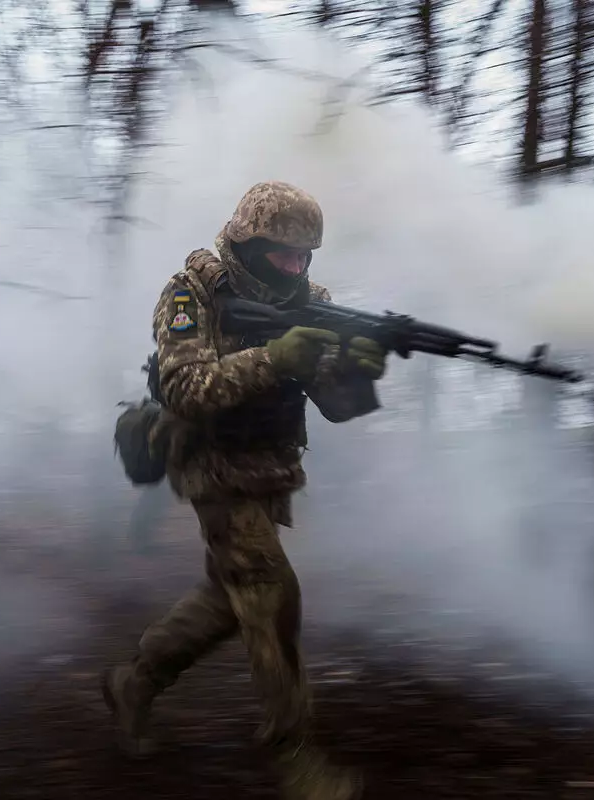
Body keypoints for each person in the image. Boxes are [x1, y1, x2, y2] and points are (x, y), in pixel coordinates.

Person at [102, 181, 386, 800]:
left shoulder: (311, 301)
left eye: (305, 257)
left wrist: (358, 371)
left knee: (229, 599)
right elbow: (184, 389)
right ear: (248, 243)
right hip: (210, 463)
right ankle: (294, 750)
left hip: (269, 468)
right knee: (269, 593)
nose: (297, 268)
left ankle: (137, 680)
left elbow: (337, 407)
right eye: (284, 255)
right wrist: (276, 358)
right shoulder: (192, 292)